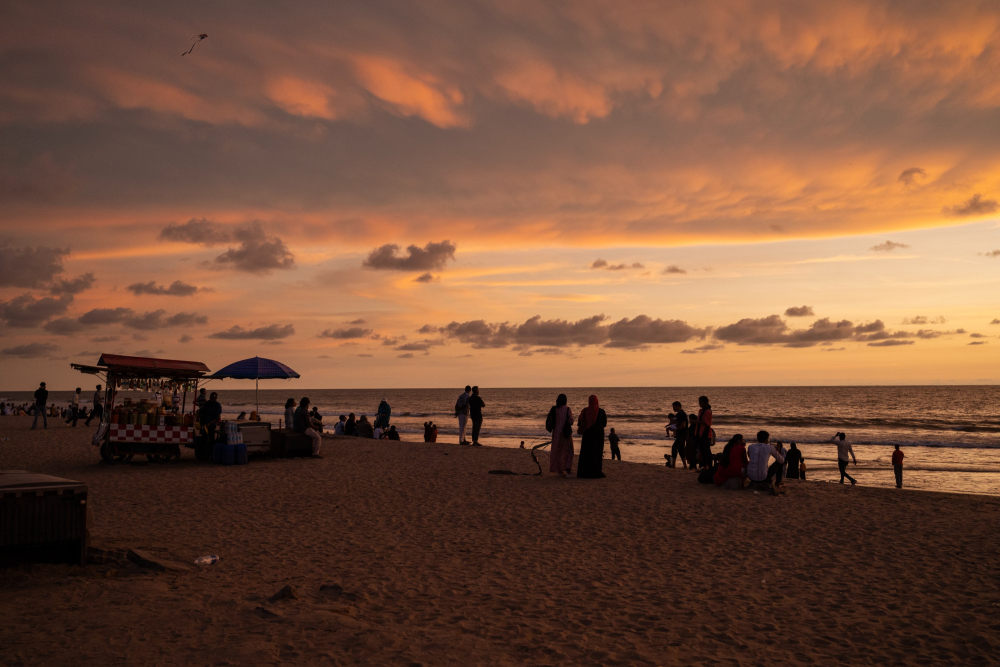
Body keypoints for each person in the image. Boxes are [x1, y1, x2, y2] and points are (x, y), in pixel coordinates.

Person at [576, 395, 608, 479]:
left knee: (586, 453)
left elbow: (579, 423)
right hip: (598, 436)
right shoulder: (601, 412)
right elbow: (604, 423)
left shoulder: (585, 411)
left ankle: (584, 472)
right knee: (597, 453)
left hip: (587, 436)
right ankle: (596, 472)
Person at [746, 430, 785, 494]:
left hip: (751, 476)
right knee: (779, 463)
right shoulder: (770, 447)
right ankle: (778, 483)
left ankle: (755, 482)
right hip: (763, 478)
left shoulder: (751, 446)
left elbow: (751, 458)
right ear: (766, 439)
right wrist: (777, 451)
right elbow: (781, 460)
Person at [545, 394, 574, 477]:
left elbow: (549, 419)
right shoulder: (567, 409)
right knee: (568, 451)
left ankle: (560, 471)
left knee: (558, 452)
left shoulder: (553, 409)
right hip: (565, 434)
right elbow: (570, 421)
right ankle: (568, 471)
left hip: (556, 433)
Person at [694, 395, 713, 470]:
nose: (699, 403)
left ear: (705, 402)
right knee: (702, 449)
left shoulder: (708, 411)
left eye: (700, 402)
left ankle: (707, 466)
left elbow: (706, 422)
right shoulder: (701, 411)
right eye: (699, 402)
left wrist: (695, 421)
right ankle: (704, 465)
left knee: (706, 450)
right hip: (699, 432)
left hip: (705, 433)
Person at [669, 401, 688, 468]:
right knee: (681, 449)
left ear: (678, 406)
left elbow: (683, 425)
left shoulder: (682, 414)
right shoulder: (678, 415)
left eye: (674, 407)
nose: (673, 408)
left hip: (682, 435)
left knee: (674, 448)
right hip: (680, 434)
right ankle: (685, 466)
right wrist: (672, 428)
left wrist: (676, 429)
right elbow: (675, 423)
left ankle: (673, 464)